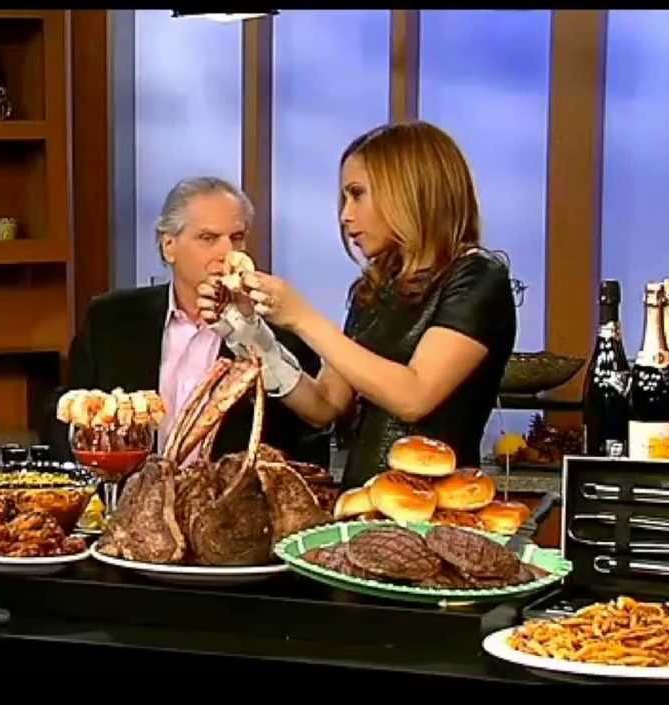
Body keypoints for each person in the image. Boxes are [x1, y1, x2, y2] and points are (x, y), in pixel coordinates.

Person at [198, 121, 516, 488]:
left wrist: (302, 318)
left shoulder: (477, 277)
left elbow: (415, 396)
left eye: (357, 194)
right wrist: (250, 333)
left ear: (408, 190)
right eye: (344, 198)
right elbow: (324, 404)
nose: (345, 215)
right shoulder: (375, 288)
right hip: (361, 505)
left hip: (436, 510)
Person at [47, 177, 331, 467]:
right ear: (168, 245)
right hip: (125, 490)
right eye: (208, 238)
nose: (228, 253)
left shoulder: (277, 333)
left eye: (236, 238)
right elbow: (66, 414)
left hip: (233, 493)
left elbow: (310, 439)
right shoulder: (110, 318)